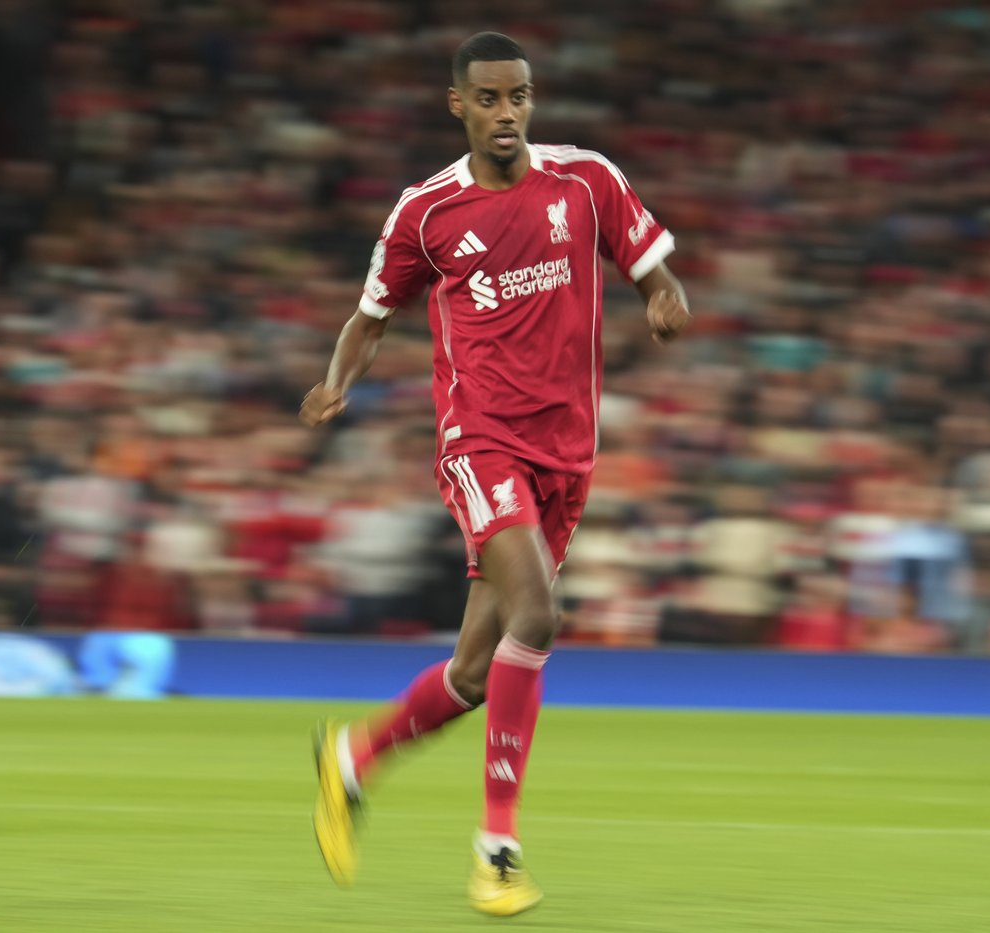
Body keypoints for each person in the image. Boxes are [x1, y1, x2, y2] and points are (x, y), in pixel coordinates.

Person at [300, 32, 690, 917]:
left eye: (517, 96)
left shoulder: (586, 181)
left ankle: (351, 760)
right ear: (459, 105)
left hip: (568, 453)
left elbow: (654, 271)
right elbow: (372, 317)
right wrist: (333, 385)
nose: (505, 112)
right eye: (487, 99)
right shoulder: (425, 211)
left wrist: (666, 299)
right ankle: (498, 846)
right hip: (479, 441)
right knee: (539, 612)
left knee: (476, 673)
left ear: (531, 100)